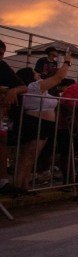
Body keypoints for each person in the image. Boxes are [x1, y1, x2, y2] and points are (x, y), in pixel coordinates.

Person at [12, 49, 72, 191]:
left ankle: (24, 185)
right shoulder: (32, 87)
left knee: (32, 157)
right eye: (35, 73)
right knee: (28, 156)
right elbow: (59, 77)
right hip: (35, 123)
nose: (38, 74)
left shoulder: (40, 89)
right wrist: (67, 61)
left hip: (43, 125)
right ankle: (17, 186)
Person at [0, 40, 28, 195]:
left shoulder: (2, 66)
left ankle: (2, 182)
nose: (0, 57)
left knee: (2, 141)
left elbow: (23, 86)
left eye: (2, 54)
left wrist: (13, 91)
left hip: (1, 114)